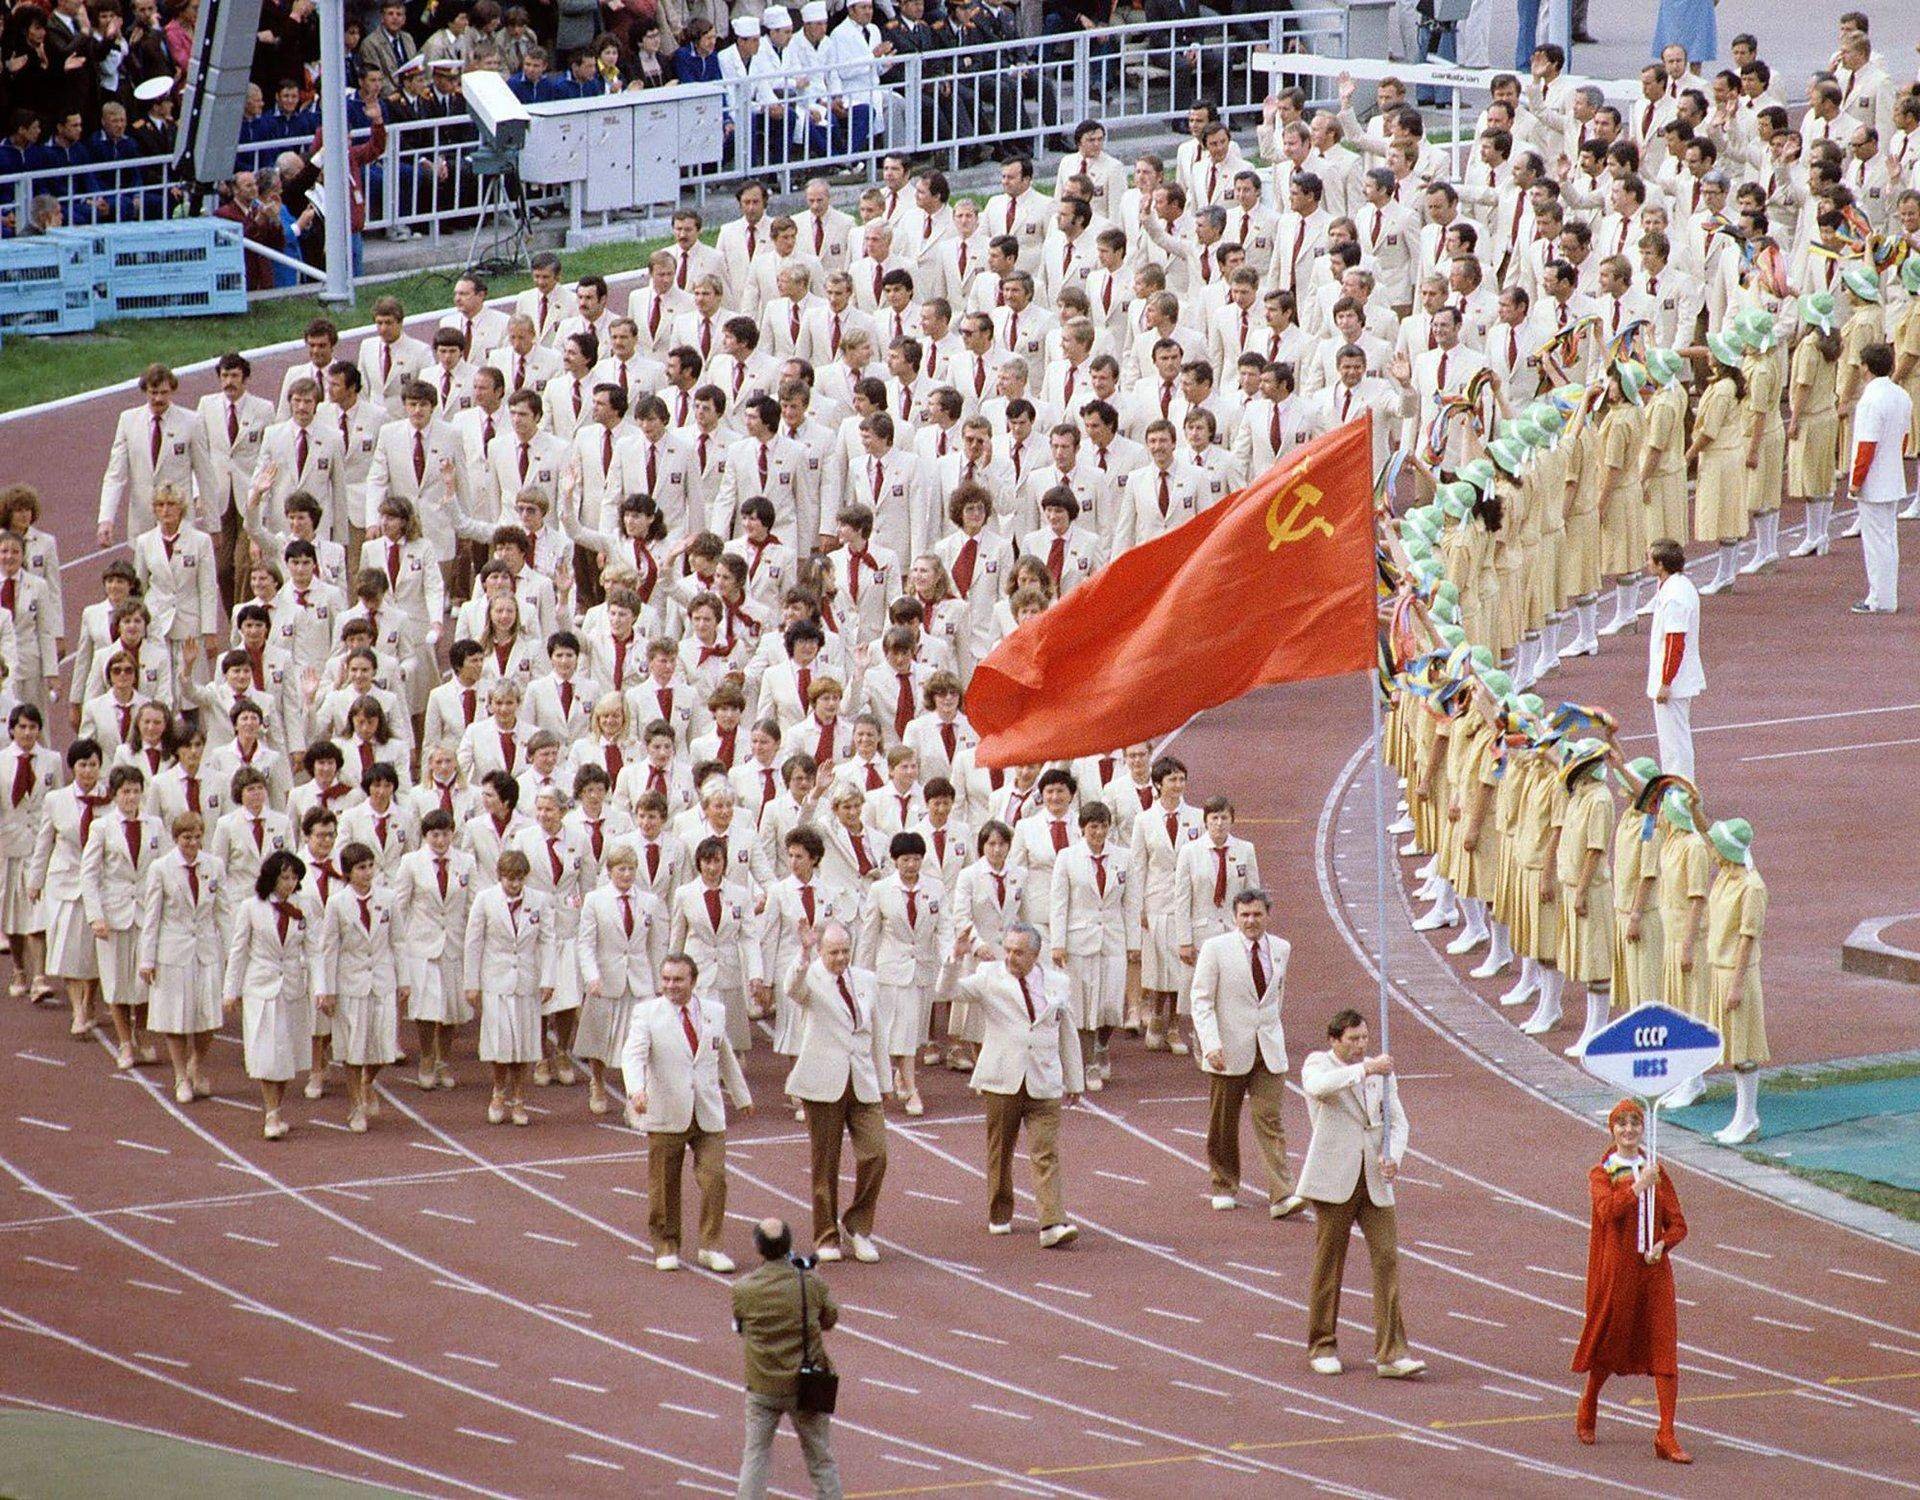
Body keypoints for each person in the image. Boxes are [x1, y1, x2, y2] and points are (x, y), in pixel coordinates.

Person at [1297, 1007, 1423, 1379]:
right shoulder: (1318, 1064)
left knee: (1386, 1259)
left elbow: (1398, 1121)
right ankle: (1322, 1343)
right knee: (1329, 1263)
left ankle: (1391, 1352)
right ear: (1335, 1040)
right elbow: (1319, 1088)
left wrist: (1393, 1157)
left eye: (1364, 1038)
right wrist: (1367, 1068)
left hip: (1374, 1179)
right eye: (1352, 1039)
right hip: (1334, 1178)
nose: (1360, 1045)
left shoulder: (1380, 1072)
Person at [1572, 1099, 1691, 1464]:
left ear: (1643, 1129)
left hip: (1653, 1274)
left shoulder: (1655, 1170)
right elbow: (1608, 1211)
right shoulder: (1602, 1173)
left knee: (1663, 1347)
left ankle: (1666, 1433)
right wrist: (1639, 1186)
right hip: (1617, 1274)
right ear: (1611, 1130)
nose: (1628, 1130)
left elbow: (1679, 1224)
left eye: (1634, 1123)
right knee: (1610, 1342)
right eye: (1621, 1124)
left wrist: (1662, 1244)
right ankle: (1590, 1402)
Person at [623, 951, 753, 1272]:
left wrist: (741, 1096)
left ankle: (711, 1245)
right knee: (664, 1182)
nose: (671, 985)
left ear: (693, 981)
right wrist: (636, 1090)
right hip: (666, 1109)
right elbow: (633, 1054)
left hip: (707, 1110)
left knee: (714, 1179)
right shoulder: (647, 1014)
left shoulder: (714, 1012)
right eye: (666, 979)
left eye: (678, 979)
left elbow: (725, 1056)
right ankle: (666, 1244)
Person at [955, 922, 1082, 1246]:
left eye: (1018, 952)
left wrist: (1074, 1078)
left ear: (1036, 955)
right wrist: (953, 960)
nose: (1011, 957)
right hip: (1003, 1078)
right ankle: (1000, 1210)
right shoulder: (989, 977)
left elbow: (1066, 1031)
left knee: (1046, 1153)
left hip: (1044, 1077)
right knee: (1001, 1150)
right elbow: (949, 992)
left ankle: (1052, 1222)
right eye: (1007, 950)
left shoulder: (1058, 983)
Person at [1189, 887, 1304, 1218]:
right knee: (1223, 1123)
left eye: (1257, 914)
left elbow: (1276, 996)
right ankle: (1223, 1183)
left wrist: (1270, 1029)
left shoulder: (1282, 948)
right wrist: (1210, 1044)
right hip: (1227, 1048)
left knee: (1270, 1118)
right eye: (1245, 915)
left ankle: (1282, 1193)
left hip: (1268, 1047)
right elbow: (1201, 1000)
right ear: (1234, 917)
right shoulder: (1216, 949)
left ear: (1268, 914)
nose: (1251, 920)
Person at [783, 919, 890, 1263]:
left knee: (876, 1153)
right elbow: (792, 988)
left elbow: (877, 1035)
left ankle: (858, 1225)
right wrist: (802, 952)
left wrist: (885, 1082)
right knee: (825, 1163)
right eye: (833, 952)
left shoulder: (867, 981)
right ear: (821, 951)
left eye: (845, 951)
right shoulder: (810, 977)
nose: (840, 958)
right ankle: (826, 1234)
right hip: (823, 1082)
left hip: (862, 1079)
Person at [731, 1217, 844, 1500]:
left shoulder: (744, 1289)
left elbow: (741, 1327)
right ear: (789, 1246)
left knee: (755, 1456)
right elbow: (830, 1318)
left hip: (763, 1385)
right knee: (820, 1460)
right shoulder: (810, 1283)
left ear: (758, 1247)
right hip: (805, 1385)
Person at [221, 849, 312, 1139]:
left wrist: (321, 988)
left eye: (294, 877)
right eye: (284, 877)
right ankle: (271, 1113)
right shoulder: (251, 907)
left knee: (285, 1053)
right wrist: (230, 991)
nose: (289, 883)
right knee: (266, 1051)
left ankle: (277, 1108)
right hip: (260, 986)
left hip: (292, 987)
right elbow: (238, 950)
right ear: (271, 878)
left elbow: (315, 949)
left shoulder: (305, 906)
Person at [1705, 817, 1769, 1144]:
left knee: (1744, 1047)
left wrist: (1737, 984)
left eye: (1717, 846)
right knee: (1733, 1047)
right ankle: (1742, 1116)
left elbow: (1747, 938)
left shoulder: (1751, 886)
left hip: (1737, 971)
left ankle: (1748, 1117)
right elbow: (1706, 837)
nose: (1711, 851)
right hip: (1720, 968)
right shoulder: (1725, 877)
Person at [1848, 342, 1911, 614]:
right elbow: (1903, 437)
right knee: (1888, 540)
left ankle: (1879, 598)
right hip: (1892, 476)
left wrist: (1857, 480)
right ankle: (1887, 595)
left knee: (1876, 544)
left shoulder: (1871, 400)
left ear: (1867, 368)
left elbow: (1867, 445)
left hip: (1874, 481)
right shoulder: (1901, 395)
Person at [1644, 538, 1702, 780]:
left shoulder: (1675, 595)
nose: (1646, 563)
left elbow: (1675, 642)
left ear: (1660, 565)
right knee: (1674, 741)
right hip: (1675, 678)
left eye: (1649, 559)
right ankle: (1679, 787)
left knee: (1674, 744)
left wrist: (1666, 682)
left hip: (1673, 682)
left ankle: (1680, 791)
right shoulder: (1676, 586)